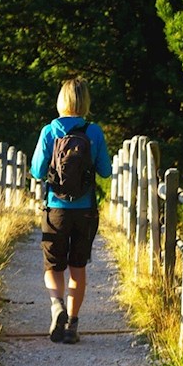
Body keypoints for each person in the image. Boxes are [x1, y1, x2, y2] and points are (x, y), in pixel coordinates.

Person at [29, 78, 112, 344]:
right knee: (78, 268)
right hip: (85, 210)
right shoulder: (94, 131)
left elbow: (37, 171)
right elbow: (106, 171)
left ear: (61, 100)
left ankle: (57, 306)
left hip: (56, 209)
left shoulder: (50, 131)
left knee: (53, 266)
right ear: (85, 101)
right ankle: (72, 326)